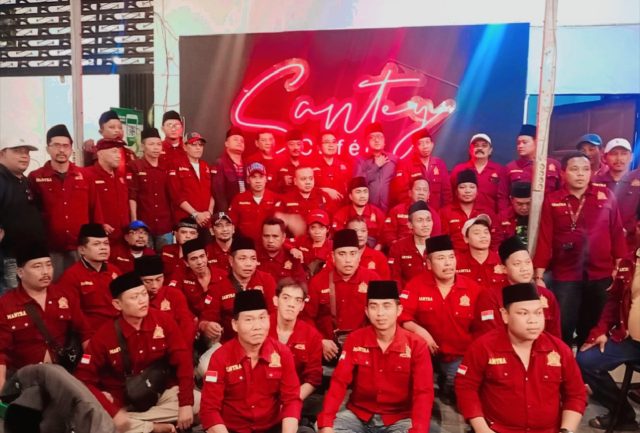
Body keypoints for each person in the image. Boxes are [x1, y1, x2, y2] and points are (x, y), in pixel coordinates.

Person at [455, 282, 586, 433]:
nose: (533, 320)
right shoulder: (483, 347)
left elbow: (576, 394)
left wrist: (566, 430)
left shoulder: (560, 350)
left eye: (538, 313)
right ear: (505, 315)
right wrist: (482, 429)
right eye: (523, 313)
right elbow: (466, 388)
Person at [75, 272, 197, 433]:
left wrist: (186, 404)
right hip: (124, 404)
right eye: (134, 297)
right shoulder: (104, 335)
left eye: (144, 294)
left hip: (159, 393)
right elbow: (82, 379)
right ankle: (152, 427)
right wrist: (112, 411)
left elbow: (183, 361)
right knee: (98, 417)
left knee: (198, 402)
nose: (142, 301)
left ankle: (136, 425)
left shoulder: (163, 320)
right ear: (117, 304)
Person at [534, 151, 626, 347]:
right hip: (566, 274)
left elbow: (617, 232)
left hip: (601, 273)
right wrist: (539, 276)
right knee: (564, 326)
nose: (580, 174)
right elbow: (544, 238)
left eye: (585, 169)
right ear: (563, 173)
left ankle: (587, 364)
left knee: (593, 327)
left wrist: (620, 267)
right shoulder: (552, 200)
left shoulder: (605, 195)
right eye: (574, 169)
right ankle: (563, 362)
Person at [317, 280, 434, 433]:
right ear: (366, 311)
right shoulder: (355, 339)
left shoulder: (416, 345)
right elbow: (339, 382)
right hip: (358, 415)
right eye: (374, 306)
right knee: (323, 427)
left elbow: (423, 393)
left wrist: (418, 430)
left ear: (399, 310)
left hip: (399, 419)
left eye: (387, 306)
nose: (380, 313)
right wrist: (326, 423)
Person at [199, 290, 303, 433]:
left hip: (271, 428)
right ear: (235, 325)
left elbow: (291, 400)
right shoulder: (220, 358)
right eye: (249, 320)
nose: (257, 326)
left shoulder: (282, 353)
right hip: (231, 430)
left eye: (262, 318)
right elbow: (209, 409)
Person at [576, 214, 640, 431]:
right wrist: (601, 331)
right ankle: (623, 415)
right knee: (586, 361)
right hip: (630, 341)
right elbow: (613, 302)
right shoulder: (630, 262)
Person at [399, 234, 480, 405]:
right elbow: (401, 316)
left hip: (459, 356)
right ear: (429, 264)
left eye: (451, 257)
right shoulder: (416, 285)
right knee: (415, 394)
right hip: (424, 354)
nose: (448, 263)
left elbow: (482, 330)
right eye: (441, 258)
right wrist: (420, 331)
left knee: (456, 395)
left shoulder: (473, 289)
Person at [0, 243, 90, 390]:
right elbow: (0, 353)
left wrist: (87, 371)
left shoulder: (65, 295)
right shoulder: (5, 304)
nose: (45, 272)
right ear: (20, 272)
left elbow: (86, 334)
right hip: (25, 382)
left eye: (49, 265)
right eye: (37, 267)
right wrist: (2, 391)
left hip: (65, 376)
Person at [29, 124, 97, 278]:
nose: (61, 150)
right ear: (48, 149)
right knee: (53, 286)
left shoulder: (85, 176)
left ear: (71, 148)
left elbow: (94, 209)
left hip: (81, 247)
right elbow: (32, 214)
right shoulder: (36, 177)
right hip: (50, 248)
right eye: (56, 145)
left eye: (66, 146)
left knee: (83, 284)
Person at [305, 229, 380, 363]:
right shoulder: (318, 281)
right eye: (342, 254)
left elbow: (382, 317)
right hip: (329, 351)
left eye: (352, 254)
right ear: (333, 256)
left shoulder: (372, 279)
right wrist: (320, 340)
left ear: (359, 256)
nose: (348, 260)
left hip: (364, 350)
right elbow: (307, 317)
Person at [472, 236, 562, 339]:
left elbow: (555, 336)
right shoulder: (490, 296)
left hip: (540, 348)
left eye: (528, 262)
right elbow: (490, 336)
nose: (524, 268)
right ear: (504, 269)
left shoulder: (546, 295)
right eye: (517, 264)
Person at [199, 235, 276, 343]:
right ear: (231, 260)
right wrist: (207, 326)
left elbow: (274, 315)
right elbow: (205, 320)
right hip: (230, 343)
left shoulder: (266, 280)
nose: (248, 264)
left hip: (263, 340)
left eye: (253, 259)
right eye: (242, 258)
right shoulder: (218, 287)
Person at [0, 135, 46, 291]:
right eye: (17, 151)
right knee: (9, 300)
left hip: (27, 257)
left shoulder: (24, 181)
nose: (24, 156)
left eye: (27, 152)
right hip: (8, 258)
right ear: (2, 153)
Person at [57, 223, 121, 333]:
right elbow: (74, 314)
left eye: (106, 243)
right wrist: (87, 336)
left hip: (119, 328)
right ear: (82, 250)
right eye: (96, 244)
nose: (103, 248)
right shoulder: (71, 276)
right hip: (93, 332)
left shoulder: (115, 271)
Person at [269, 278, 323, 402]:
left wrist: (291, 402)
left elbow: (313, 378)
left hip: (295, 396)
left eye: (297, 300)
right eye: (286, 298)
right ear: (276, 301)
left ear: (302, 306)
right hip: (262, 399)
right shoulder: (261, 328)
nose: (291, 304)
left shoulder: (312, 335)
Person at [135, 255, 196, 348]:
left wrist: (180, 350)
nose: (154, 285)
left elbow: (187, 327)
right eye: (148, 281)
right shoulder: (133, 299)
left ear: (163, 277)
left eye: (158, 279)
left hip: (176, 346)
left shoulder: (174, 294)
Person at [127, 127, 173, 251]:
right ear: (143, 146)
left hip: (165, 225)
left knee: (166, 258)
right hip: (143, 225)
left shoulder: (167, 166)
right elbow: (132, 195)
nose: (156, 148)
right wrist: (134, 222)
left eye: (158, 144)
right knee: (145, 258)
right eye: (151, 144)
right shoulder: (135, 166)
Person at [593, 138, 640, 250]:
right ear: (605, 157)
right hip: (601, 243)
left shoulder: (637, 181)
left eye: (623, 154)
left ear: (631, 157)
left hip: (630, 244)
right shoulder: (594, 182)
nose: (619, 159)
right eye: (614, 154)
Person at [393, 128, 451, 211]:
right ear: (415, 147)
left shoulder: (440, 164)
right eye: (421, 143)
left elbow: (447, 193)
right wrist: (412, 211)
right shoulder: (405, 165)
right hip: (414, 212)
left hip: (436, 213)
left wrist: (444, 213)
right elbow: (402, 194)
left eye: (427, 142)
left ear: (432, 144)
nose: (425, 146)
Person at [450, 133, 508, 214]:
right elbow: (451, 195)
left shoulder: (500, 170)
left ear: (490, 150)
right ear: (470, 150)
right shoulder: (459, 169)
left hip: (490, 217)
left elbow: (503, 198)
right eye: (476, 145)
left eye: (484, 146)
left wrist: (502, 217)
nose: (480, 148)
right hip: (463, 217)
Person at [84, 137, 130, 240]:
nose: (118, 156)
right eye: (114, 152)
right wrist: (98, 225)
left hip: (123, 238)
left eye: (119, 152)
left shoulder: (120, 176)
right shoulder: (87, 175)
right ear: (100, 153)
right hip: (100, 238)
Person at [440, 169, 494, 252]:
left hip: (481, 256)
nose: (467, 191)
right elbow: (442, 241)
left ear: (477, 191)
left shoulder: (487, 212)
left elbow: (495, 239)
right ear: (456, 191)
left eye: (472, 187)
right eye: (462, 187)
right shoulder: (445, 212)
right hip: (455, 257)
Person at [170, 237, 226, 318]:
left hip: (218, 321)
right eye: (193, 259)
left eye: (202, 256)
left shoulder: (223, 275)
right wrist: (193, 318)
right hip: (192, 321)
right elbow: (174, 301)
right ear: (186, 262)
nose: (199, 262)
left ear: (207, 256)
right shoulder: (180, 277)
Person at [167, 132, 214, 226]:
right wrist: (195, 214)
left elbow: (212, 193)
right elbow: (176, 195)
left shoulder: (205, 166)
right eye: (194, 144)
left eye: (201, 145)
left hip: (205, 220)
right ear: (185, 147)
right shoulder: (175, 165)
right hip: (186, 221)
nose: (198, 148)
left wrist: (209, 212)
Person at [228, 162, 279, 242]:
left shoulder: (275, 199)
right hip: (246, 245)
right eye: (254, 177)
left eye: (261, 177)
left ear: (266, 179)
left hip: (269, 245)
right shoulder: (239, 199)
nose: (258, 181)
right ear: (248, 180)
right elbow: (231, 225)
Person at [388, 200, 434, 287]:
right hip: (408, 294)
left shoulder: (439, 246)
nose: (425, 225)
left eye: (428, 220)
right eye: (420, 220)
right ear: (410, 225)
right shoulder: (398, 247)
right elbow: (395, 278)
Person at [382, 176, 437, 248]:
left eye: (425, 190)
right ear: (410, 193)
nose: (421, 193)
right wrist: (398, 247)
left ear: (428, 195)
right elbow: (388, 234)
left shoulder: (433, 215)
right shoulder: (397, 211)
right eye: (418, 189)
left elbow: (435, 239)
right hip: (400, 249)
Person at [332, 176, 386, 249]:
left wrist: (376, 249)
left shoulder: (377, 213)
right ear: (350, 196)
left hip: (373, 251)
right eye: (358, 192)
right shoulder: (341, 214)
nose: (362, 196)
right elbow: (339, 238)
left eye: (365, 192)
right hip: (348, 250)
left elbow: (383, 237)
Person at [505, 124, 561, 194]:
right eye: (518, 143)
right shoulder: (511, 167)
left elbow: (561, 190)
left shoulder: (553, 165)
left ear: (536, 142)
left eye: (524, 142)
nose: (520, 146)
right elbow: (504, 195)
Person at [355, 122, 398, 212]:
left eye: (379, 137)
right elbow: (357, 185)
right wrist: (376, 166)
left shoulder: (394, 160)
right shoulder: (360, 161)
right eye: (372, 137)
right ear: (366, 142)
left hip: (390, 210)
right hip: (367, 210)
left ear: (384, 141)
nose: (376, 140)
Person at [455, 215, 504, 288]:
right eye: (477, 233)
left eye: (486, 232)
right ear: (466, 239)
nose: (483, 236)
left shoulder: (502, 261)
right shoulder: (456, 263)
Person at [312, 130, 353, 211]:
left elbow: (351, 190)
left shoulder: (345, 166)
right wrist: (324, 190)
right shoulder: (311, 167)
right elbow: (304, 189)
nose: (331, 145)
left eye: (334, 142)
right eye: (327, 142)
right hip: (320, 210)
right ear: (319, 147)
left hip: (342, 210)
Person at [258, 217, 307, 282]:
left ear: (283, 237)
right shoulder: (254, 256)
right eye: (266, 236)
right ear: (261, 236)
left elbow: (302, 285)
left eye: (275, 236)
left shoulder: (293, 259)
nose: (270, 240)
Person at [213, 127, 246, 212]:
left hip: (246, 210)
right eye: (235, 139)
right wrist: (225, 214)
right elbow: (219, 194)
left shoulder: (247, 165)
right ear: (226, 143)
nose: (239, 142)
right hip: (229, 211)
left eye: (242, 141)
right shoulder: (220, 163)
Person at [291, 210, 333, 275]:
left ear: (327, 229)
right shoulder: (302, 241)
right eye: (313, 227)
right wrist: (292, 249)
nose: (317, 232)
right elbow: (283, 241)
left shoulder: (333, 246)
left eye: (321, 228)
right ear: (308, 229)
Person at [492, 181, 531, 247]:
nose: (524, 208)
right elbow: (496, 243)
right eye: (520, 204)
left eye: (528, 203)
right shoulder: (503, 217)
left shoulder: (541, 216)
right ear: (511, 200)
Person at [275, 129, 307, 193]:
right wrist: (282, 182)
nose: (296, 148)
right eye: (291, 144)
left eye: (298, 144)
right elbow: (271, 188)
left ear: (302, 146)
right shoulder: (278, 164)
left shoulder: (308, 165)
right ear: (286, 146)